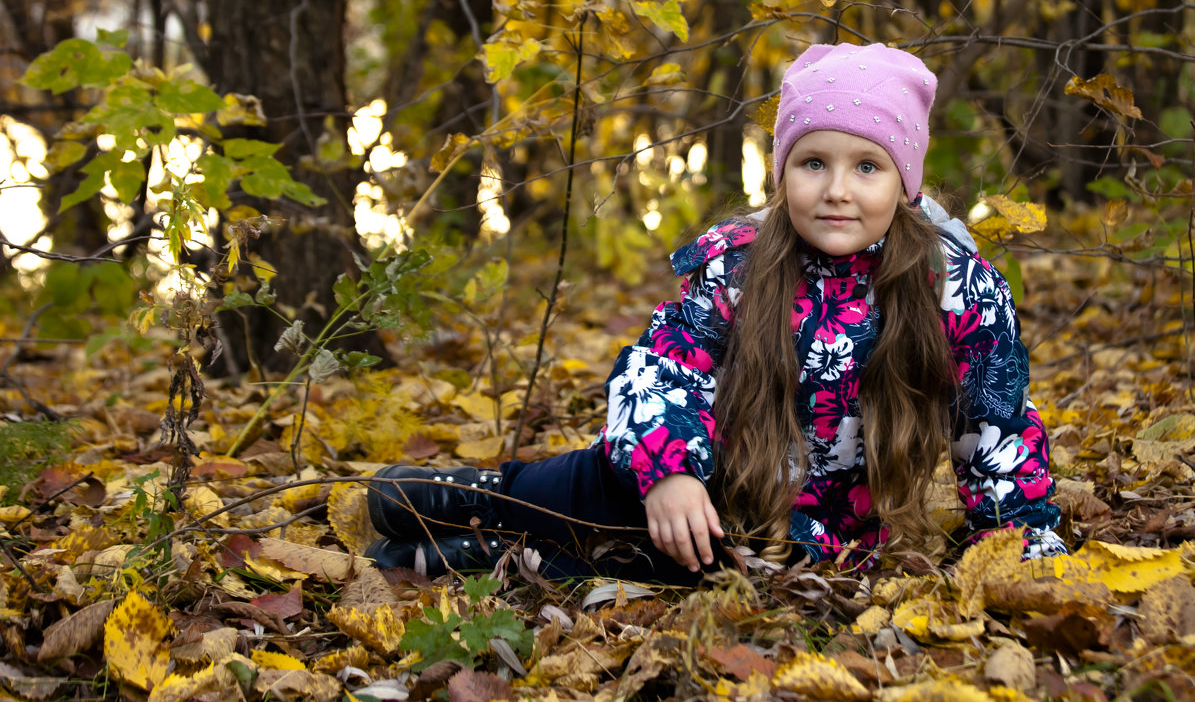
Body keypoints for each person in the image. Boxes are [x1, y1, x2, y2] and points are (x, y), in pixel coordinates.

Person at [364, 42, 1067, 583]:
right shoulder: (737, 266)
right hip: (712, 475)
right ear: (782, 169)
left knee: (697, 568)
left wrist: (1018, 543)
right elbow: (661, 368)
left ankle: (501, 557)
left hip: (811, 534)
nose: (836, 191)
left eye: (866, 166)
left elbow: (996, 427)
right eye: (812, 162)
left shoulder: (954, 287)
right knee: (611, 483)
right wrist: (668, 469)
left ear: (904, 181)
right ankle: (497, 498)